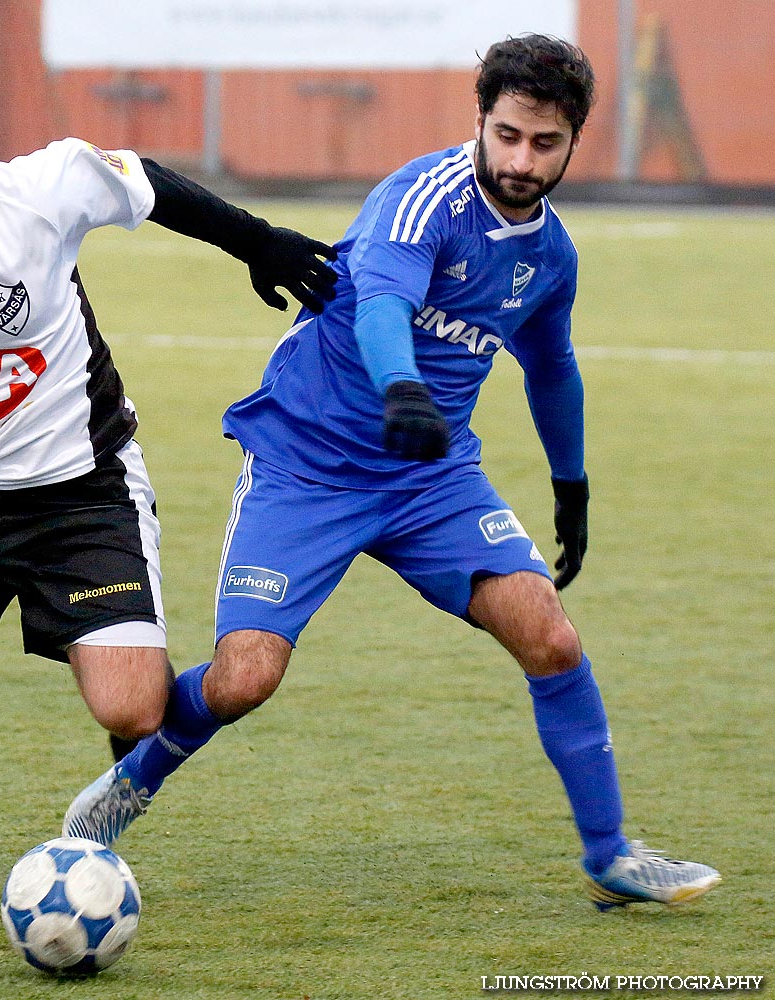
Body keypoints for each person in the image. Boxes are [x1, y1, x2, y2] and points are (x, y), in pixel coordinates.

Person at [63, 35, 722, 911]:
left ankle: (608, 854)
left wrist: (572, 485)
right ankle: (127, 789)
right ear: (480, 122)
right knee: (242, 679)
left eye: (544, 144)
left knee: (549, 636)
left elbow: (551, 368)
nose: (521, 161)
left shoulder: (550, 255)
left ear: (573, 141)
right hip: (308, 463)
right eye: (508, 136)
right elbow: (380, 305)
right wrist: (403, 387)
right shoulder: (422, 200)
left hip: (429, 480)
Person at [0, 67, 337, 915]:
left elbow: (142, 184)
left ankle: (119, 804)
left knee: (134, 710)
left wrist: (258, 242)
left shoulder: (27, 193)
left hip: (85, 493)